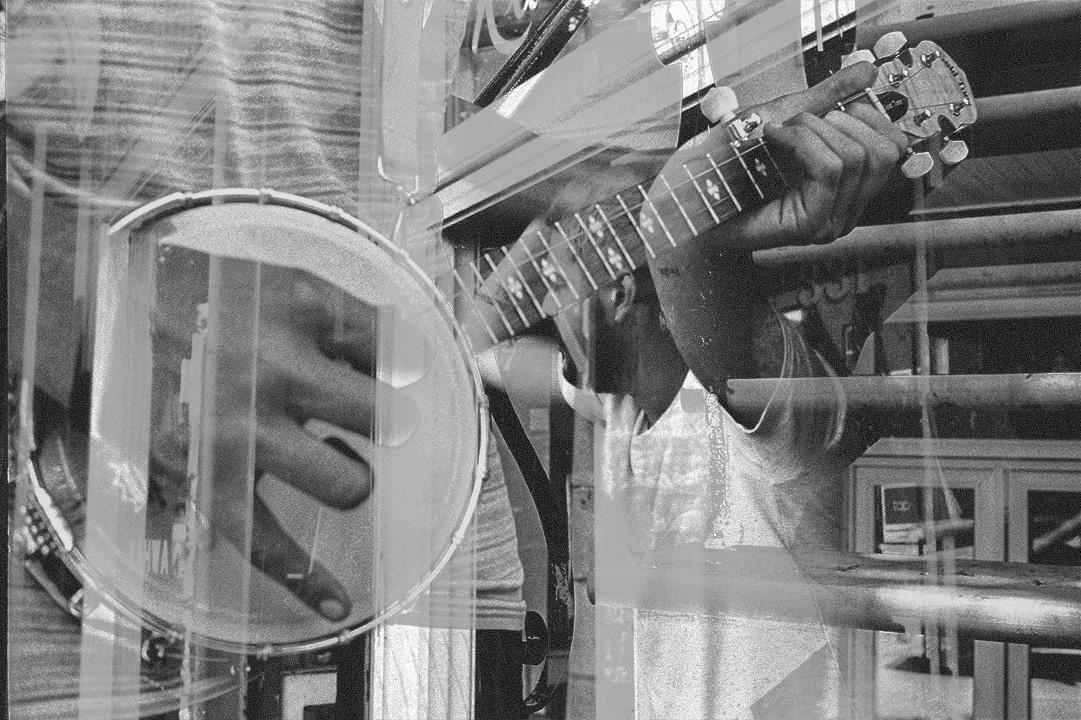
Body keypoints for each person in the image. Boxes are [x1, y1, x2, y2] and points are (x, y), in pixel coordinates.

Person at [7, 0, 907, 717]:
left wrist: (668, 204)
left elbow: (423, 172)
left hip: (425, 568)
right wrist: (91, 306)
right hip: (83, 570)